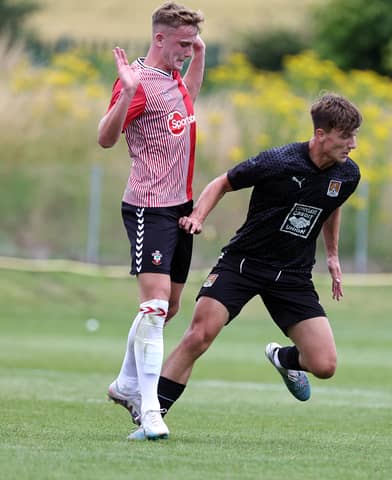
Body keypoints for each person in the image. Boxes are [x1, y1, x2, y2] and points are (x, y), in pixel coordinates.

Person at [151, 92, 362, 428]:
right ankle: (151, 416)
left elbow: (330, 206)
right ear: (321, 134)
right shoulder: (279, 162)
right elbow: (223, 182)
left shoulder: (348, 174)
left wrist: (333, 256)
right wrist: (198, 216)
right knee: (198, 336)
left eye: (354, 136)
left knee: (324, 365)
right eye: (345, 136)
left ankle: (282, 357)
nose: (352, 144)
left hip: (293, 275)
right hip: (244, 263)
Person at [97, 2, 206, 440]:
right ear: (159, 38)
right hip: (148, 205)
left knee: (169, 307)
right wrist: (125, 92)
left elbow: (189, 99)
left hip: (181, 206)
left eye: (192, 43)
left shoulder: (176, 79)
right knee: (155, 306)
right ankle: (149, 408)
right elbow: (105, 138)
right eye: (182, 43)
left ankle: (125, 384)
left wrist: (199, 52)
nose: (187, 49)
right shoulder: (138, 81)